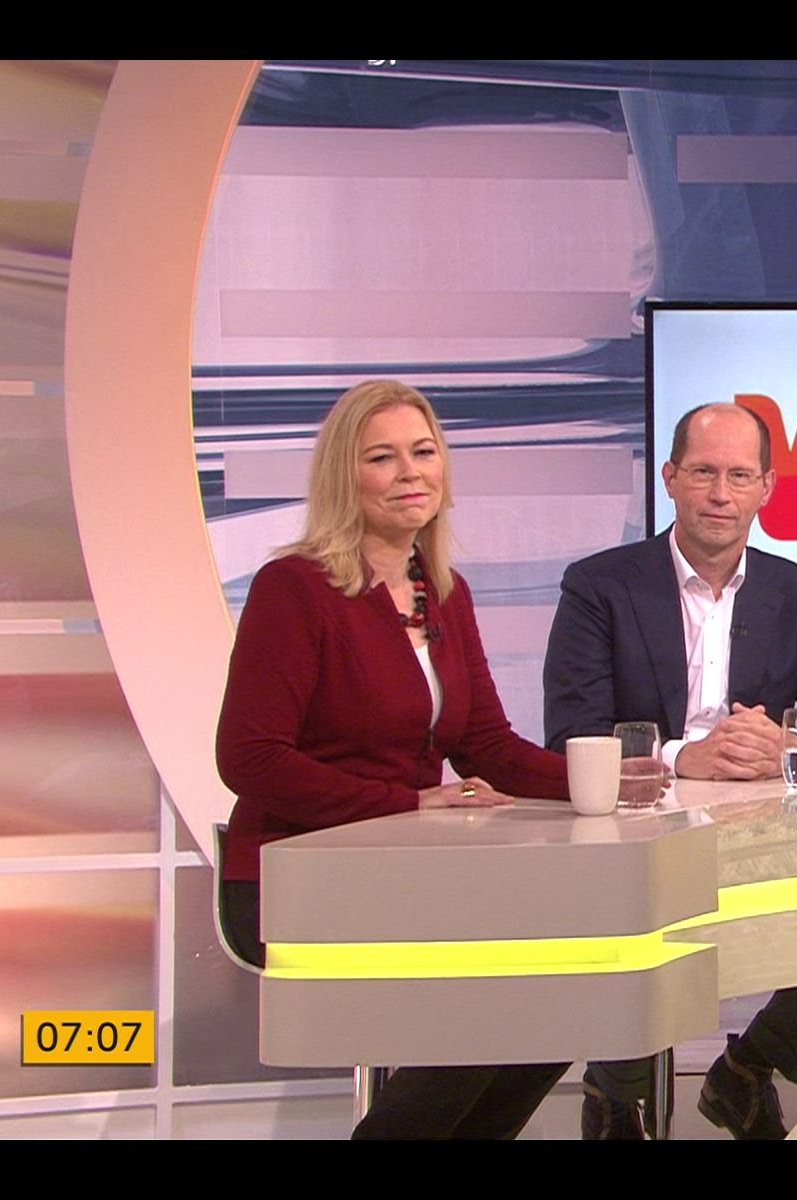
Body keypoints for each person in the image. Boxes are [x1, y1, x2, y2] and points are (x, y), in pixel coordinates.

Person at [217, 380, 574, 1140]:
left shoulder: (442, 591)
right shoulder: (296, 588)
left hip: (407, 874)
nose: (411, 472)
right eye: (382, 457)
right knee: (499, 998)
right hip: (297, 876)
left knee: (570, 988)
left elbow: (488, 747)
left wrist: (618, 784)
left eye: (424, 452)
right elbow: (249, 758)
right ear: (344, 477)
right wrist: (407, 803)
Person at [543, 402, 797, 1139]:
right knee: (633, 904)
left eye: (739, 476)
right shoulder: (600, 586)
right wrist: (679, 756)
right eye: (703, 473)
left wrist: (786, 745)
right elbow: (570, 734)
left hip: (765, 838)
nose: (720, 495)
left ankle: (750, 1067)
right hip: (640, 838)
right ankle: (618, 1092)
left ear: (767, 487)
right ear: (670, 478)